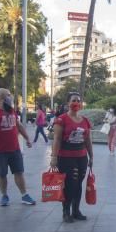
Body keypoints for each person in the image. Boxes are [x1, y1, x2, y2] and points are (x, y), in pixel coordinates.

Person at [0, 88, 36, 207]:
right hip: (0, 150)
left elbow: (19, 125)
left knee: (19, 172)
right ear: (1, 97)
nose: (10, 97)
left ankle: (24, 195)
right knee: (2, 174)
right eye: (8, 95)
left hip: (15, 149)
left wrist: (27, 138)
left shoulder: (11, 110)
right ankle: (4, 195)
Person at [50, 92, 93, 222]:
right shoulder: (61, 120)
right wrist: (53, 157)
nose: (76, 103)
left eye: (78, 101)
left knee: (78, 184)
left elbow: (88, 141)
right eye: (74, 100)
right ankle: (65, 212)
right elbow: (56, 140)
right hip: (66, 158)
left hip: (81, 157)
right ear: (68, 103)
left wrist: (91, 156)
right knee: (70, 185)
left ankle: (76, 211)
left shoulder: (85, 121)